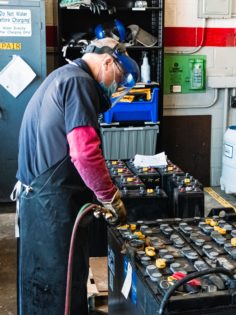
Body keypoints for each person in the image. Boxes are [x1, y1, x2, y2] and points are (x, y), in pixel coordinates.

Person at [15, 37, 139, 314]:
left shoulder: (61, 76)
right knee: (58, 285)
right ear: (107, 61)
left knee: (44, 283)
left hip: (41, 200)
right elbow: (84, 152)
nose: (116, 88)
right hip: (51, 207)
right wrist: (109, 196)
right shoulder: (80, 83)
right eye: (118, 80)